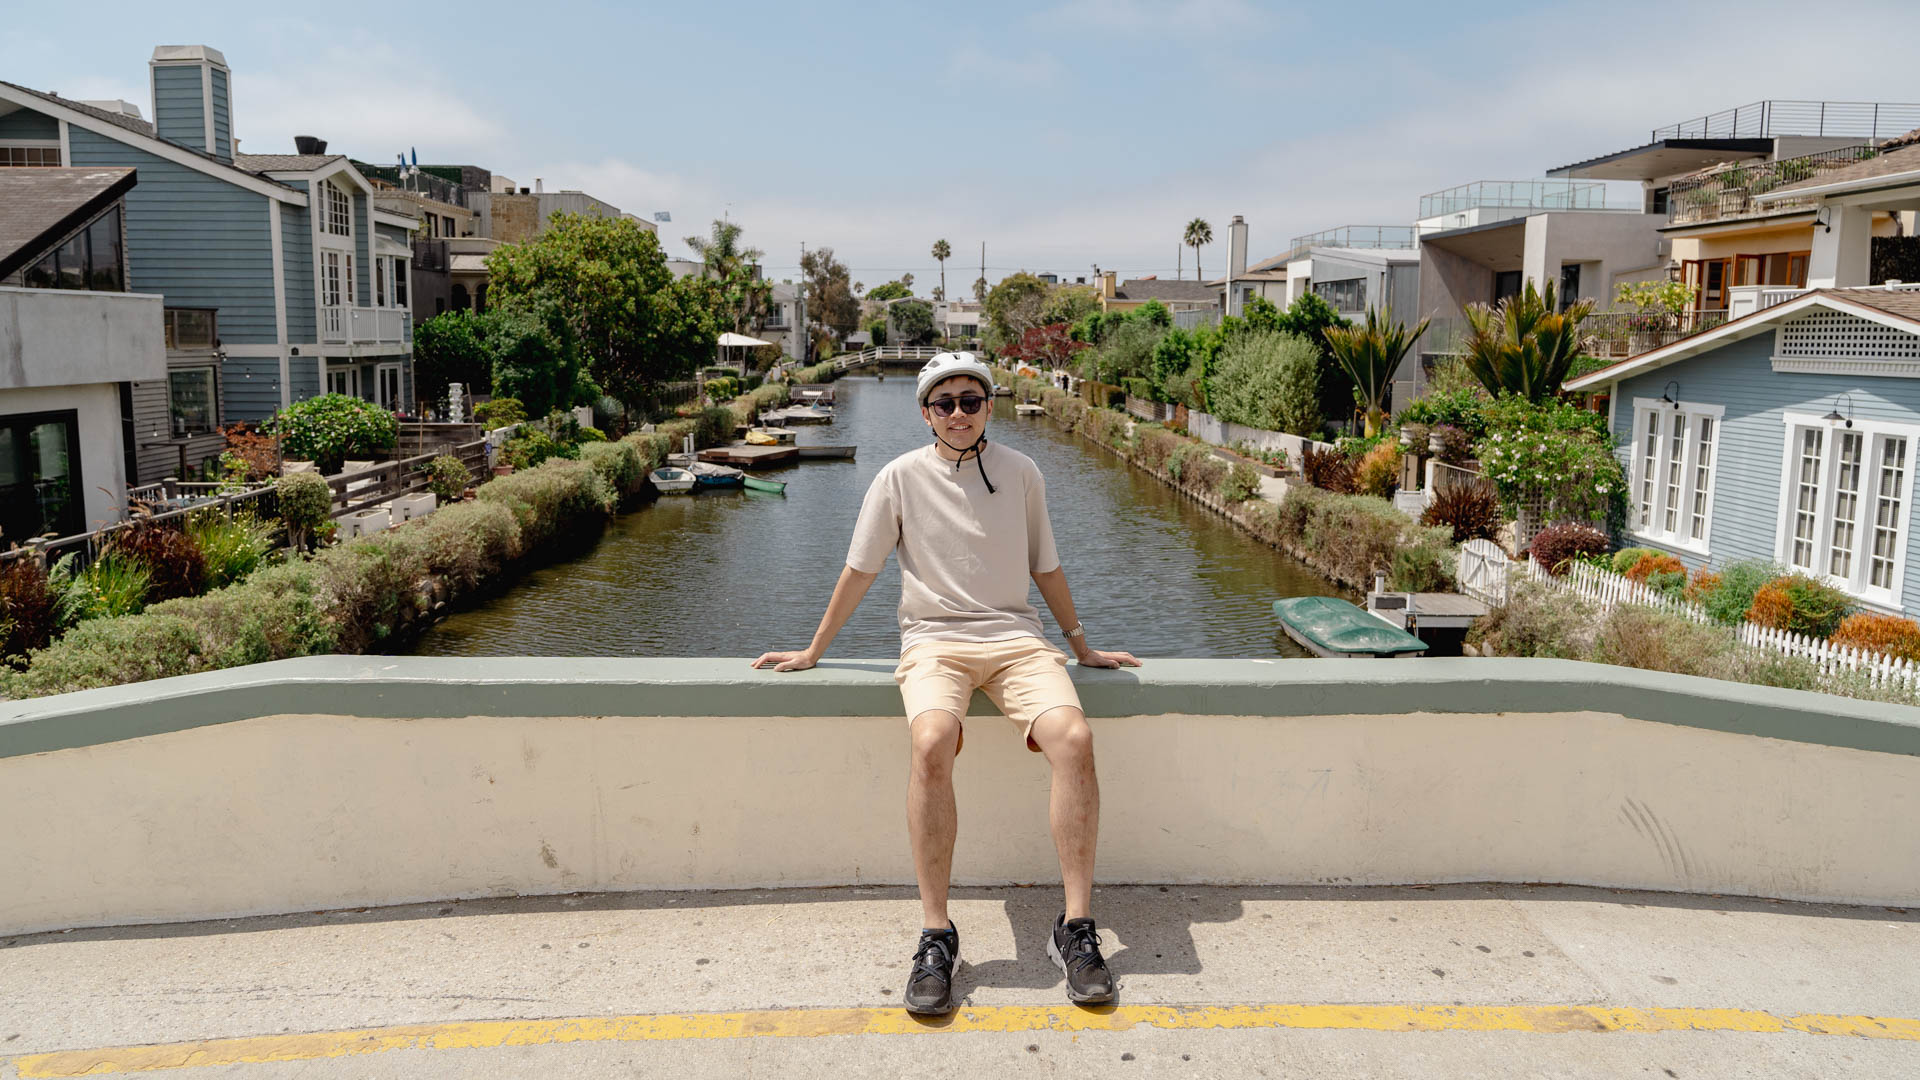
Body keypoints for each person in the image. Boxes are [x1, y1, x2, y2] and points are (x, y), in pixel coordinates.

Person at [752, 352, 1141, 1015]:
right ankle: (937, 935)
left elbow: (1046, 567)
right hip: (933, 642)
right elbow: (859, 569)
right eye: (944, 403)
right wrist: (815, 649)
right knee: (931, 741)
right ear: (925, 412)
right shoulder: (898, 478)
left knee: (1073, 739)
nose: (958, 412)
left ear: (990, 405)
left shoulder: (1023, 474)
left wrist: (1083, 646)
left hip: (1016, 640)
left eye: (971, 400)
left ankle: (1075, 929)